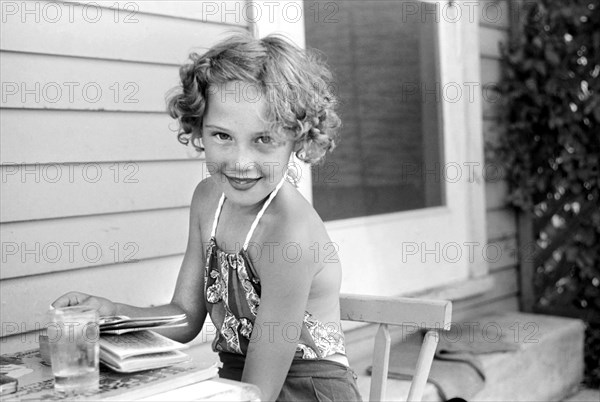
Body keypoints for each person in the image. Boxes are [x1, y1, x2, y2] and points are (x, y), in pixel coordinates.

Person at [53, 34, 362, 401]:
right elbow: (185, 317)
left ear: (296, 137)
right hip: (235, 385)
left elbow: (260, 390)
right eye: (222, 136)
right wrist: (113, 313)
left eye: (263, 139)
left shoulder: (288, 233)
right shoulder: (208, 200)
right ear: (198, 128)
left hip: (304, 391)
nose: (239, 162)